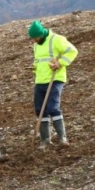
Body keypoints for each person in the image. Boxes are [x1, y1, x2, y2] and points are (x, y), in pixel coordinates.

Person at [28, 20, 78, 148]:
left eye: (36, 38)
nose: (34, 40)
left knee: (53, 108)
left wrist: (60, 63)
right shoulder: (36, 45)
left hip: (55, 79)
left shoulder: (56, 39)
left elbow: (72, 51)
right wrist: (34, 67)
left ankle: (62, 138)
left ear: (41, 34)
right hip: (40, 80)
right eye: (33, 38)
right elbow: (39, 61)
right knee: (40, 110)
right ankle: (45, 139)